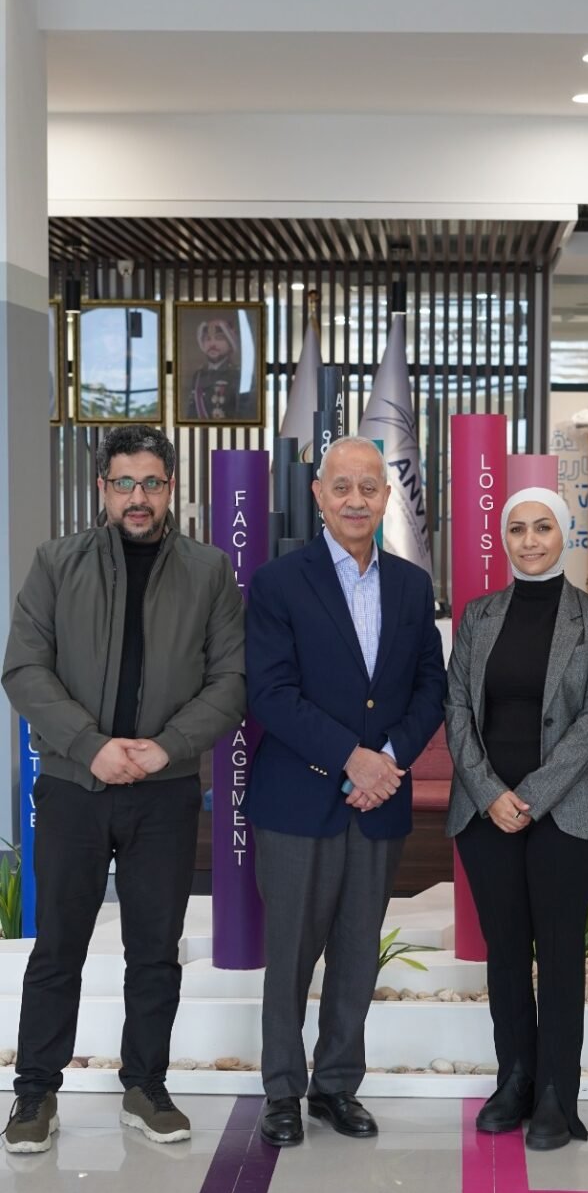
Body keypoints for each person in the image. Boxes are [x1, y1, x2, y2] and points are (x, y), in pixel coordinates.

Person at [2, 424, 245, 1153]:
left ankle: (145, 1087)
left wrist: (166, 747)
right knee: (59, 948)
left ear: (171, 488)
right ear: (103, 488)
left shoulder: (209, 571)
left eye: (152, 483)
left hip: (164, 792)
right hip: (74, 787)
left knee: (155, 949)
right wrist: (92, 746)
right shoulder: (56, 563)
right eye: (124, 483)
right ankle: (35, 1093)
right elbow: (24, 669)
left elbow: (232, 680)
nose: (139, 497)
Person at [245, 435, 446, 1148]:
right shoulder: (277, 583)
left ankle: (336, 1086)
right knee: (290, 956)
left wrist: (385, 761)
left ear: (387, 497)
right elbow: (271, 694)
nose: (356, 499)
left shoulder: (412, 585)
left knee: (358, 952)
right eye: (342, 487)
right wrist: (351, 759)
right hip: (298, 801)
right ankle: (282, 1091)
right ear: (318, 495)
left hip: (379, 799)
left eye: (369, 487)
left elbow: (430, 687)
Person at [446, 487, 588, 1151]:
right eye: (517, 528)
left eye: (542, 527)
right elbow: (457, 709)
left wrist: (531, 795)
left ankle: (556, 1094)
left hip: (568, 813)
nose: (529, 540)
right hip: (486, 811)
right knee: (506, 953)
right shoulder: (479, 614)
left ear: (564, 534)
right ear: (504, 537)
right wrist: (491, 792)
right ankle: (515, 1079)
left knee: (559, 952)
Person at [187, 314, 244, 422]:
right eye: (207, 339)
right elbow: (192, 415)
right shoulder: (198, 376)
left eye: (219, 338)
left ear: (230, 344)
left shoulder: (238, 375)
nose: (212, 344)